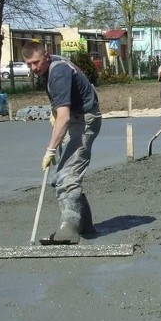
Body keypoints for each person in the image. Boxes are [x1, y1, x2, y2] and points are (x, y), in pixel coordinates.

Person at [22, 41, 102, 244]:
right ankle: (85, 225)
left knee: (68, 174)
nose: (34, 68)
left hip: (83, 119)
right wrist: (54, 113)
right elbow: (61, 106)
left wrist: (50, 149)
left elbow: (64, 117)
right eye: (29, 64)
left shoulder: (58, 72)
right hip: (75, 117)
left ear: (46, 55)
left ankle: (69, 229)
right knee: (59, 176)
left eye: (36, 62)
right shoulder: (52, 66)